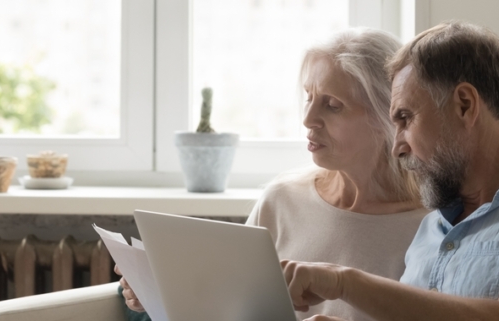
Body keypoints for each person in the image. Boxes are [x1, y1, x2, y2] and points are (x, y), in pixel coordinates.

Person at [281, 21, 499, 321]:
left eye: (405, 119)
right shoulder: (435, 227)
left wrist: (345, 283)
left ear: (464, 105)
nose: (397, 146)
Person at [116, 28, 430, 321]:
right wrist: (157, 292)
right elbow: (227, 306)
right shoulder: (282, 200)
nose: (308, 119)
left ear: (386, 116)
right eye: (308, 97)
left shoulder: (431, 223)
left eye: (332, 105)